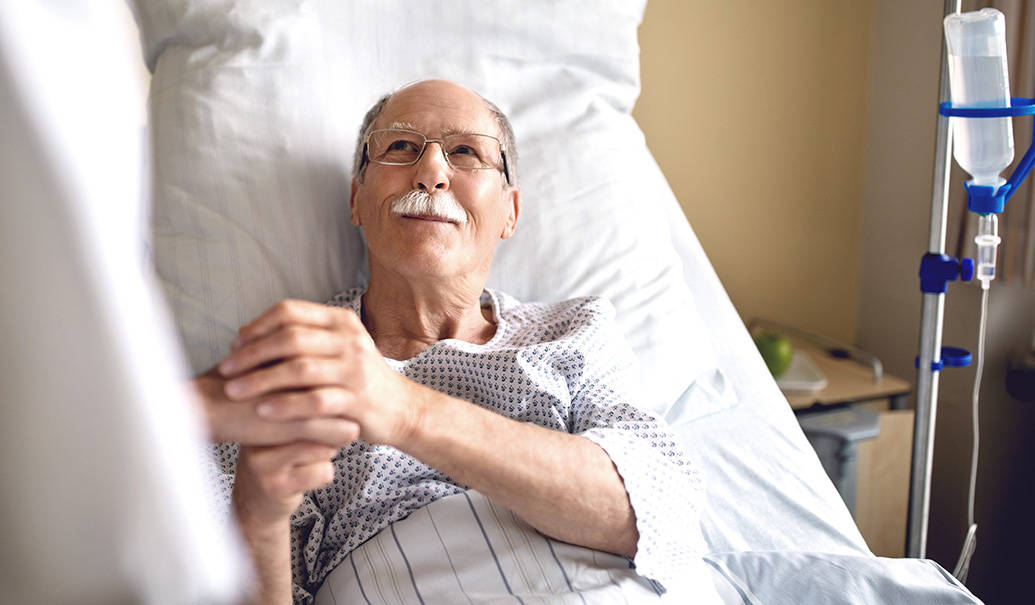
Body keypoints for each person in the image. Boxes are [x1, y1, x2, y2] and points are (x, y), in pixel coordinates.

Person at [194, 79, 700, 604]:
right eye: (400, 148)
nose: (432, 172)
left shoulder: (573, 331)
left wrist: (406, 412)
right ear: (356, 200)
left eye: (466, 152)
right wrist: (257, 515)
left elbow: (659, 509)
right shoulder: (297, 357)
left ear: (510, 211)